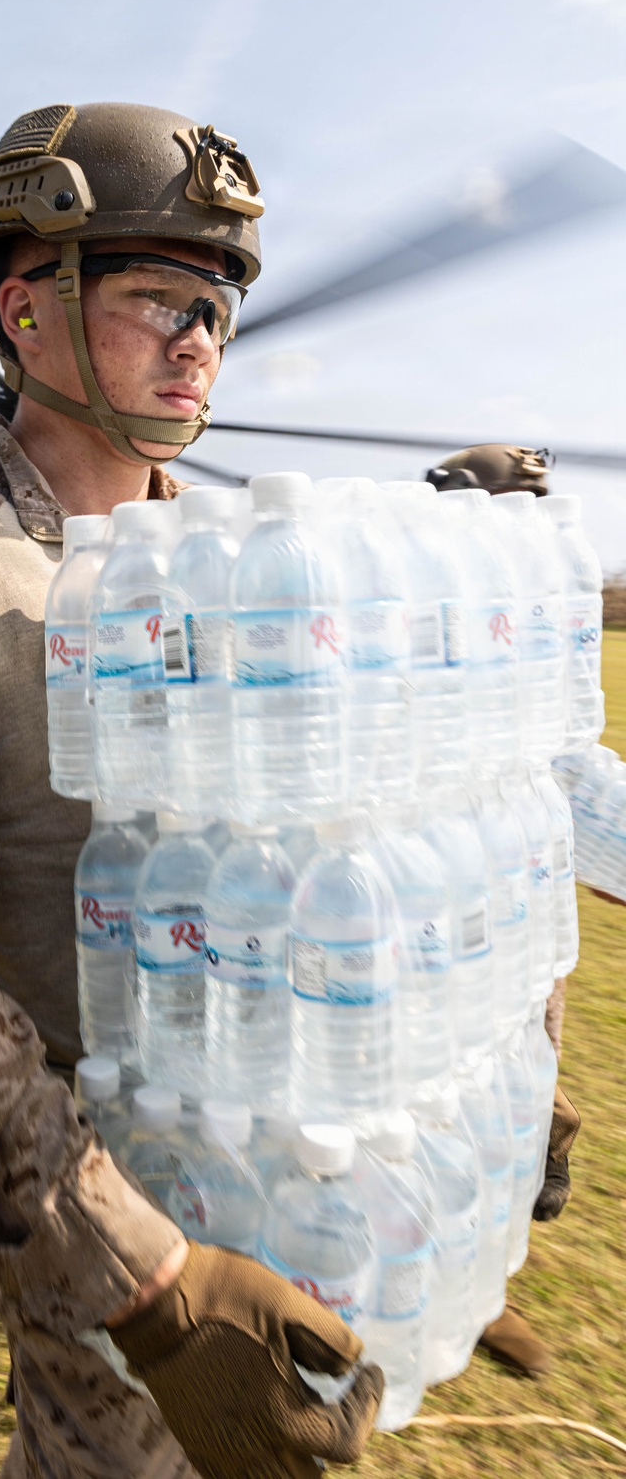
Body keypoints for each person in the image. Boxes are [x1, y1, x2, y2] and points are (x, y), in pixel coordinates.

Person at [0, 103, 384, 1479]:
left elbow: (321, 850)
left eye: (218, 308)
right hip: (99, 1200)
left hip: (269, 1154)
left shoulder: (229, 564)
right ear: (29, 312)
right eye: (157, 296)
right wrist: (146, 1276)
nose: (199, 339)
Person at [427, 443, 582, 1377]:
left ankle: (490, 1295)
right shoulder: (410, 601)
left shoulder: (545, 611)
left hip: (525, 891)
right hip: (435, 892)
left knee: (516, 1086)